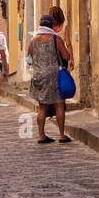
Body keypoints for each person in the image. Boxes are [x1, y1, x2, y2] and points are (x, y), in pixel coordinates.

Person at [27, 15, 71, 144]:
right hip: (54, 75)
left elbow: (29, 58)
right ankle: (62, 135)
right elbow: (66, 56)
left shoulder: (33, 40)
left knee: (42, 107)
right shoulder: (55, 39)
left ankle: (41, 135)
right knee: (59, 104)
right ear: (51, 26)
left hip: (38, 75)